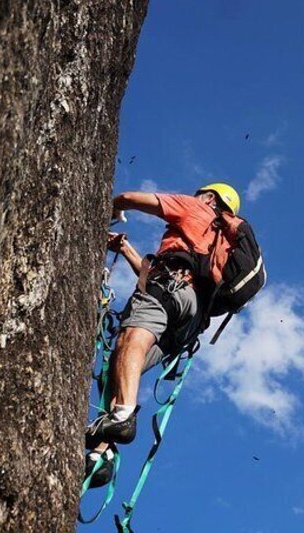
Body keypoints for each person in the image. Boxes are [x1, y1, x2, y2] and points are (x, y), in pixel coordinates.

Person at [84, 183, 243, 487]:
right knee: (120, 366)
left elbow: (132, 199)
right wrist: (126, 249)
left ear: (210, 198)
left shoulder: (198, 208)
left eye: (201, 194)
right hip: (189, 318)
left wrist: (113, 205)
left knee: (130, 341)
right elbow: (158, 277)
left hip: (169, 289)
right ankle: (102, 453)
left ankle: (122, 415)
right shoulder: (223, 243)